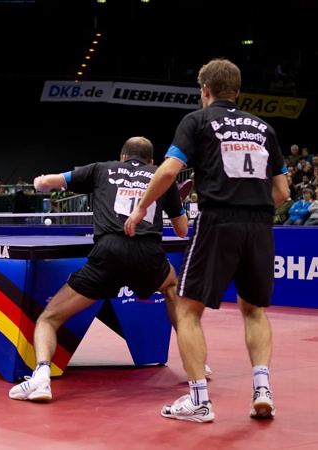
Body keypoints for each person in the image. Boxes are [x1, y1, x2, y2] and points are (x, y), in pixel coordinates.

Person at [124, 59, 288, 422]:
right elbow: (282, 190)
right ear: (238, 92)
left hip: (218, 221)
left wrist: (140, 210)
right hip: (260, 225)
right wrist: (252, 207)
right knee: (254, 310)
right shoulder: (264, 128)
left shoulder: (196, 121)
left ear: (205, 91)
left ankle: (199, 400)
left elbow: (168, 170)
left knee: (186, 310)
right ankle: (262, 390)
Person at [8, 136, 189, 403]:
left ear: (123, 157)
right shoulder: (162, 176)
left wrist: (39, 183)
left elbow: (48, 182)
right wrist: (178, 204)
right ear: (151, 161)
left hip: (109, 255)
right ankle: (194, 362)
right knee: (172, 288)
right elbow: (182, 230)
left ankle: (42, 378)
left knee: (49, 318)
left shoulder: (102, 169)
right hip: (148, 257)